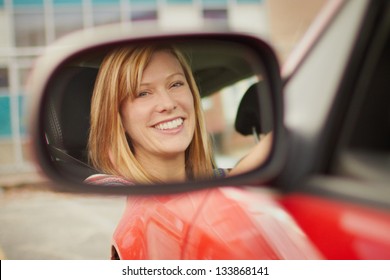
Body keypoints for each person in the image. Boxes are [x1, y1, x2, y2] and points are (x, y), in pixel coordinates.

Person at [85, 44, 272, 185]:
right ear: (117, 116)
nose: (168, 104)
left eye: (175, 84)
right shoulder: (108, 191)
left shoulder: (217, 179)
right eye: (143, 93)